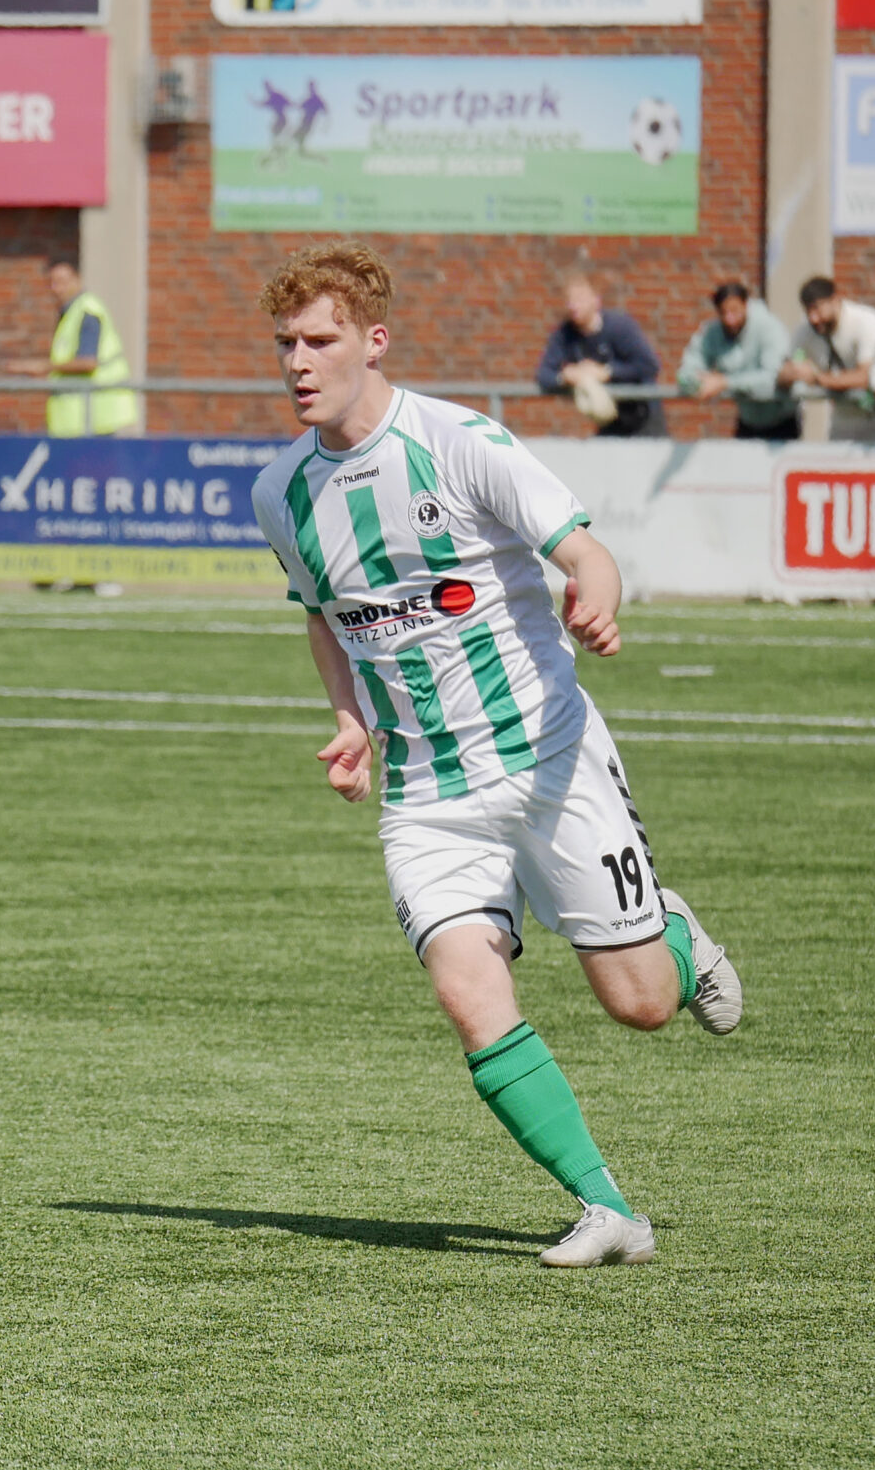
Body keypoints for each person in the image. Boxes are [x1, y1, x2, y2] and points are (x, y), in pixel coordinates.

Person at [248, 240, 742, 1269]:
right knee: (465, 989)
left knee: (640, 1005)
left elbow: (584, 549)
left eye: (319, 340)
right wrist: (350, 720)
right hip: (427, 793)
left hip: (546, 757)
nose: (298, 360)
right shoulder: (280, 493)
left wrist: (594, 594)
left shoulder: (461, 442)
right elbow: (324, 618)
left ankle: (675, 937)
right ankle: (607, 1210)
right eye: (286, 343)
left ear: (372, 343)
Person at [6, 258, 137, 437]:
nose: (56, 289)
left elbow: (88, 362)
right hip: (79, 415)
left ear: (78, 279)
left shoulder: (86, 311)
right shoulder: (72, 311)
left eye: (62, 282)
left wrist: (44, 366)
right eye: (52, 283)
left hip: (94, 412)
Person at [532, 273, 664, 437]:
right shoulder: (564, 334)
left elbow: (649, 365)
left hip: (644, 417)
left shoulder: (619, 326)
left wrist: (606, 372)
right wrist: (566, 376)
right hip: (609, 421)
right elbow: (543, 374)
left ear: (596, 300)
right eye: (569, 300)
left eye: (579, 299)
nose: (573, 306)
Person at [676, 282, 797, 439]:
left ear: (746, 305)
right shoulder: (712, 332)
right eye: (723, 313)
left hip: (782, 422)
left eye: (734, 311)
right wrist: (695, 384)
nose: (729, 319)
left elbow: (772, 378)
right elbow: (688, 367)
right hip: (747, 421)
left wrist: (724, 382)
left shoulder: (769, 327)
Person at [777, 276, 875, 442]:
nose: (814, 318)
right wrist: (793, 373)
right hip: (844, 419)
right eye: (808, 311)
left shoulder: (866, 321)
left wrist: (817, 377)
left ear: (835, 300)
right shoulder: (804, 331)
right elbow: (783, 373)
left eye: (817, 309)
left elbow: (863, 377)